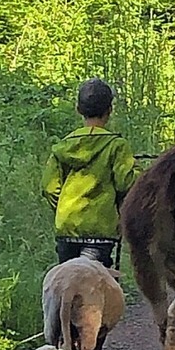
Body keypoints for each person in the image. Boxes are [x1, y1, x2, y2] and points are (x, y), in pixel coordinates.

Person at [42, 78, 137, 268]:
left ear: (78, 108)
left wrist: (63, 208)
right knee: (94, 284)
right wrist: (141, 173)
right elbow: (125, 182)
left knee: (69, 281)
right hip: (100, 233)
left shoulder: (63, 147)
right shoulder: (116, 146)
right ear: (110, 110)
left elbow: (49, 188)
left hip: (67, 230)